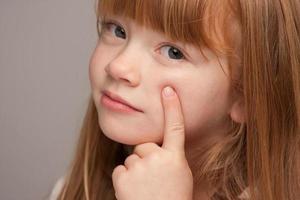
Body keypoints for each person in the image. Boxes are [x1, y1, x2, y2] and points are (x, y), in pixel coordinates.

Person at [49, 0, 300, 199]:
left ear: (245, 97)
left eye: (174, 52)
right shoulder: (72, 189)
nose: (118, 66)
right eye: (118, 30)